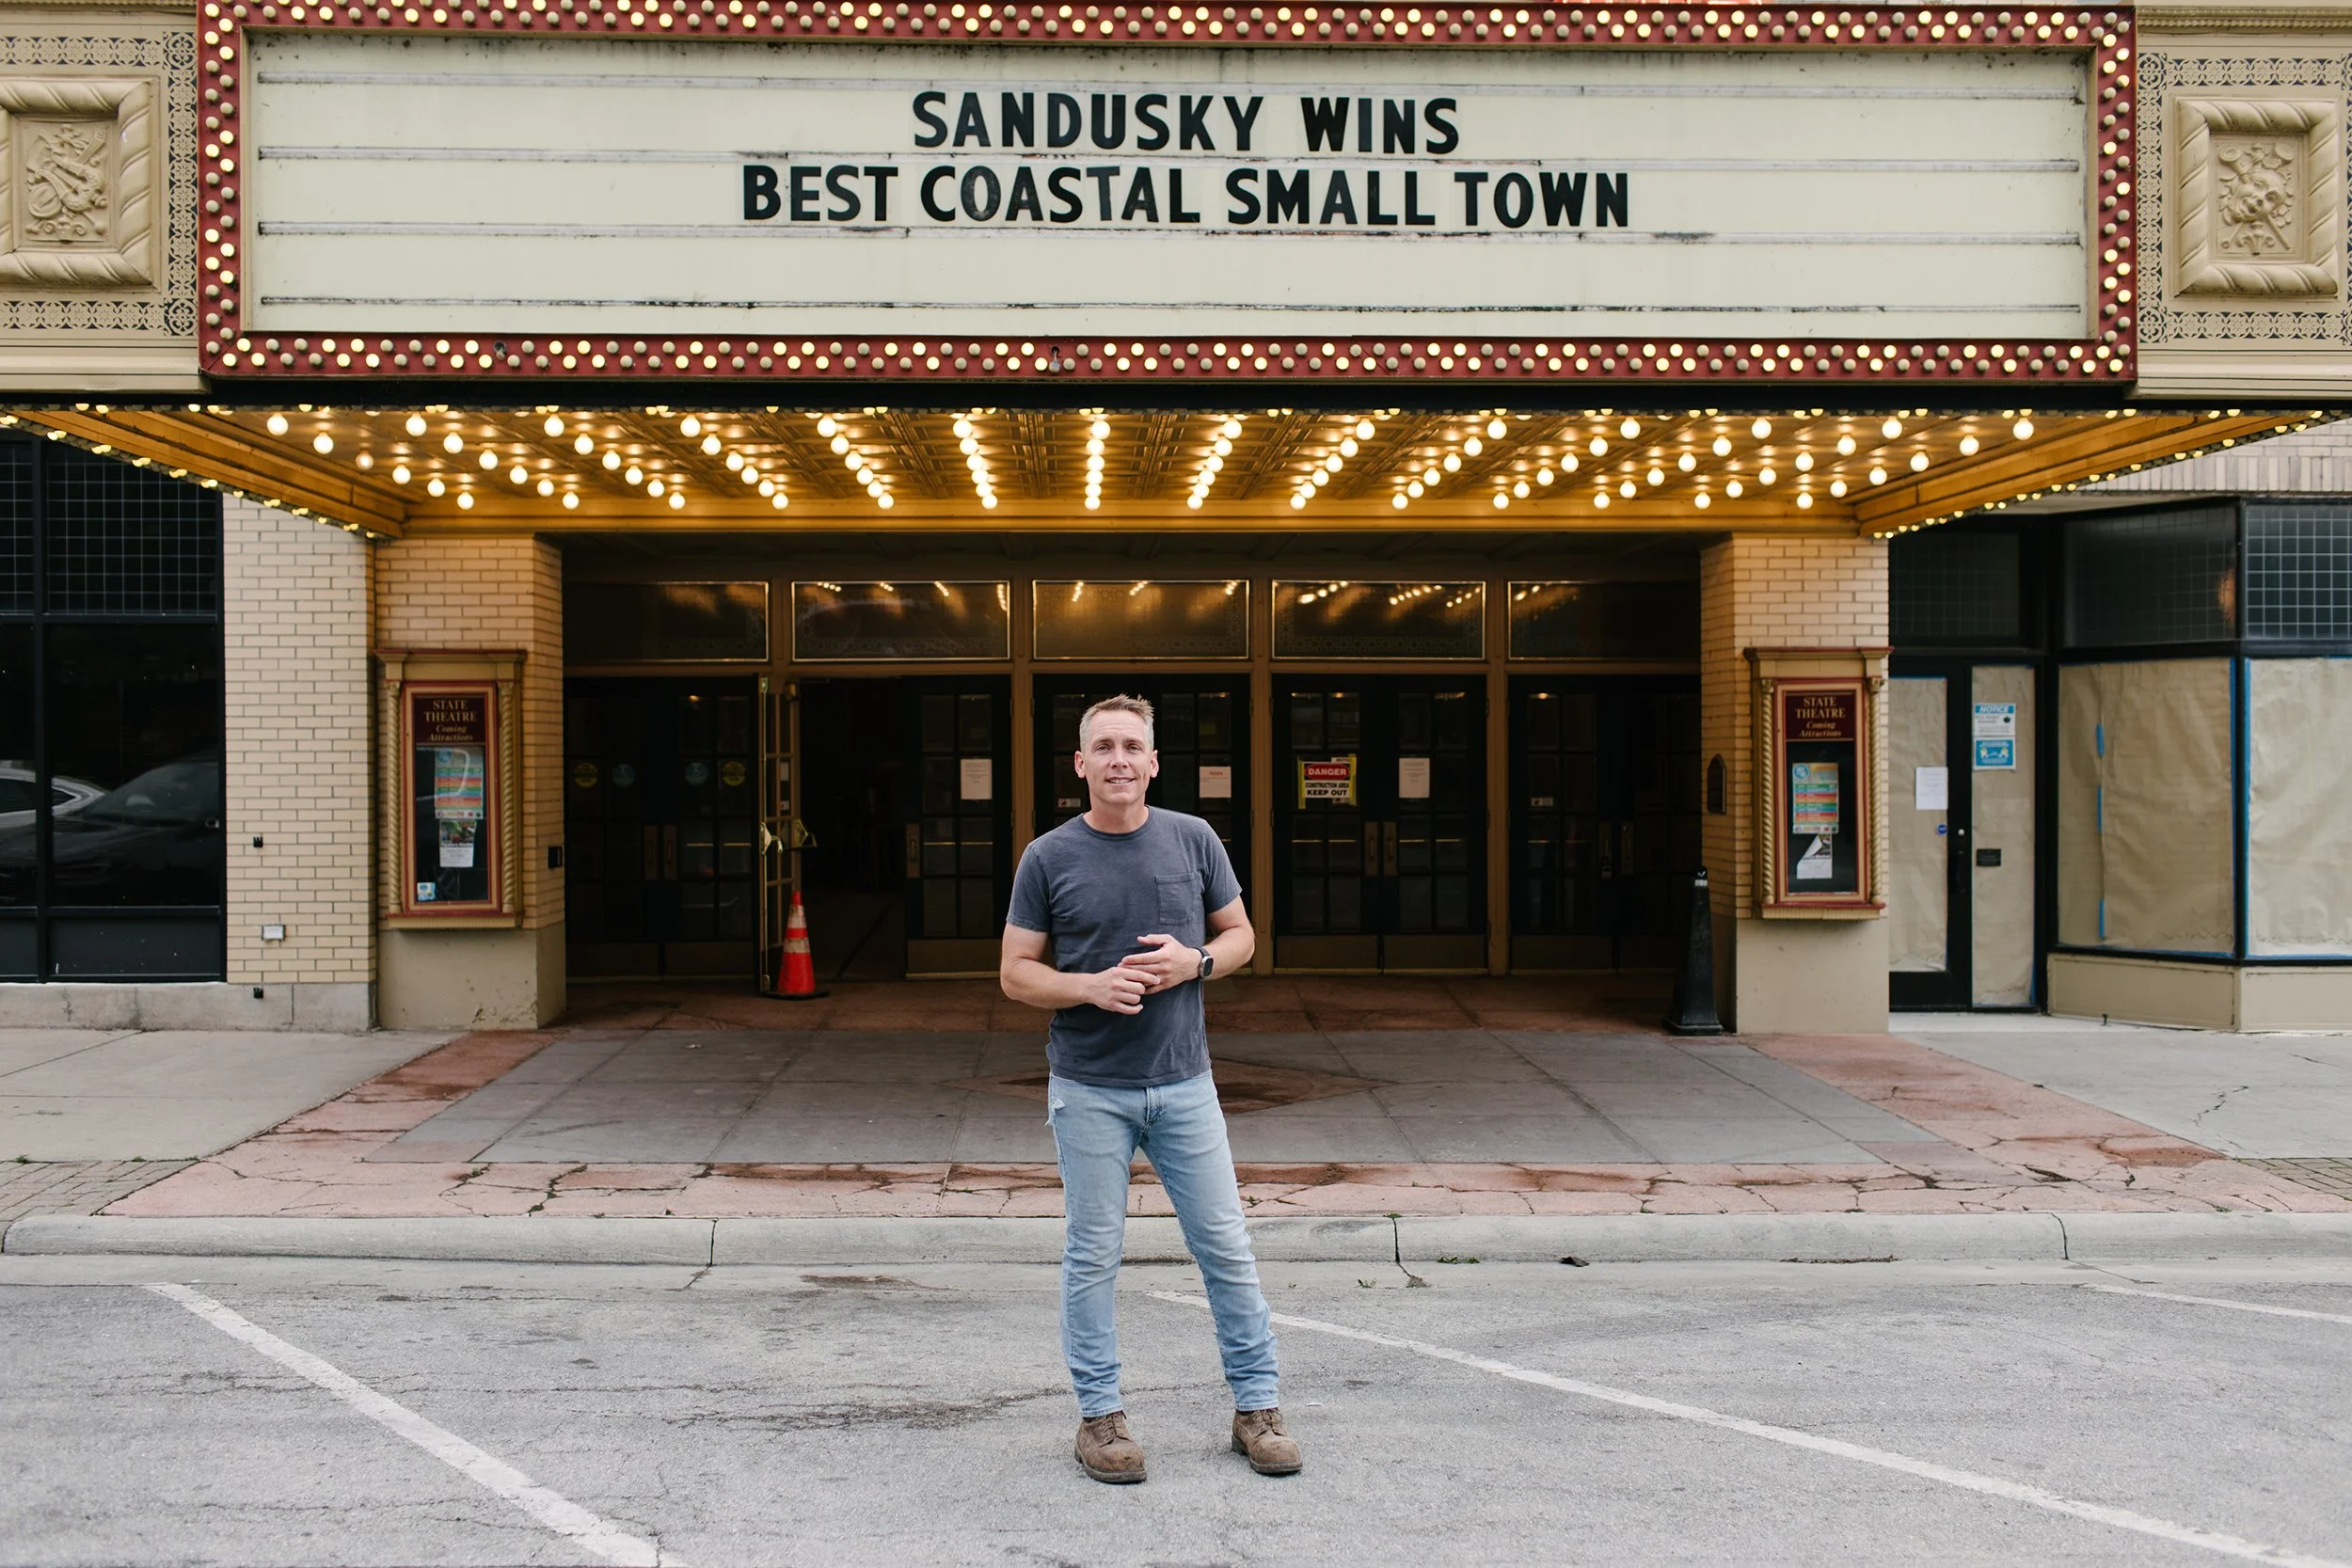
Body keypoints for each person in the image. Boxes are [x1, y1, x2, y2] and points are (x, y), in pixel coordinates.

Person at [1000, 693, 1300, 1486]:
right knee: (1093, 1255)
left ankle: (1257, 1409)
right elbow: (1015, 973)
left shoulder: (1194, 839)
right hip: (1089, 1088)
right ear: (1081, 763)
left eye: (1133, 745)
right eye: (1104, 746)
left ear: (1155, 761)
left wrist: (1194, 962)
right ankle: (1100, 1419)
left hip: (1185, 1084)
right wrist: (1088, 987)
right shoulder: (1047, 856)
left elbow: (1242, 936)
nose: (1120, 759)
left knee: (1226, 1248)